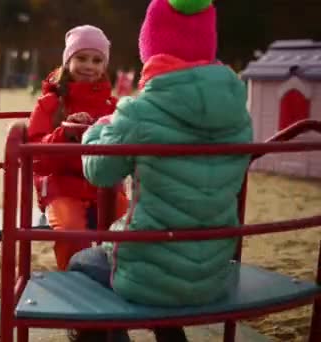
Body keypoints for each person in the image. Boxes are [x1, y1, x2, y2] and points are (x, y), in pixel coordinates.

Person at [70, 0, 254, 341]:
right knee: (164, 263)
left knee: (81, 264)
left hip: (150, 272)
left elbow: (99, 171)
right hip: (214, 271)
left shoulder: (142, 111)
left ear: (152, 48)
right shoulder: (238, 114)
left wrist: (97, 131)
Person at [27, 25, 129, 272]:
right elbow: (36, 157)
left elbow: (124, 150)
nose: (89, 66)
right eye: (81, 58)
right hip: (62, 185)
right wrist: (66, 133)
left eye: (97, 60)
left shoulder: (113, 106)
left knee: (129, 228)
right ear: (67, 61)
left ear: (105, 66)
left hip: (103, 186)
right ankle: (74, 281)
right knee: (72, 232)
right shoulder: (50, 103)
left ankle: (118, 278)